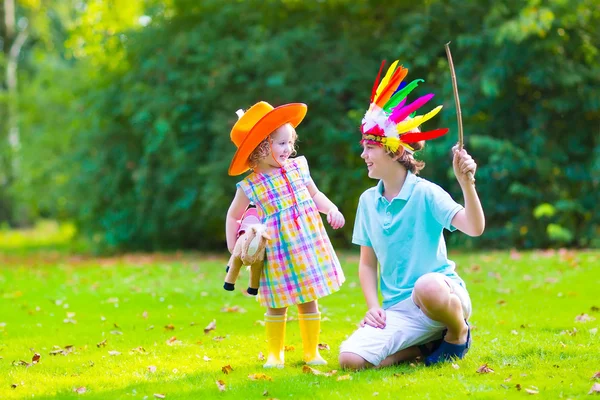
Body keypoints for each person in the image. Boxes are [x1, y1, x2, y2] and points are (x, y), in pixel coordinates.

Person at [338, 60, 485, 369]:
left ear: (392, 151)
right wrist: (374, 306)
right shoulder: (367, 202)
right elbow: (367, 264)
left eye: (369, 148)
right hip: (399, 311)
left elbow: (474, 227)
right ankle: (426, 348)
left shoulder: (426, 193)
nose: (363, 155)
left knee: (426, 286)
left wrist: (466, 184)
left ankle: (458, 332)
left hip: (441, 297)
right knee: (350, 359)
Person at [226, 101, 345, 368]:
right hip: (277, 249)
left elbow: (314, 195)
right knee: (277, 301)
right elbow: (234, 215)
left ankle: (311, 351)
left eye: (290, 142)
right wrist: (234, 245)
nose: (289, 148)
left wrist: (331, 209)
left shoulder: (298, 167)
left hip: (306, 243)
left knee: (308, 297)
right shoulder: (250, 185)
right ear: (262, 147)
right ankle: (274, 354)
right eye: (281, 143)